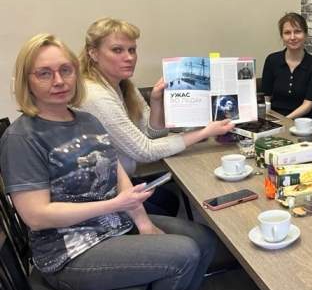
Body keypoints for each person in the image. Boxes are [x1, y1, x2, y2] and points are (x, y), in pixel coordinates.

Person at [0, 33, 217, 290]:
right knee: (184, 254)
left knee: (204, 239)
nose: (59, 80)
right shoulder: (21, 138)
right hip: (69, 255)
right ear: (26, 80)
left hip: (113, 226)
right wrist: (114, 205)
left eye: (65, 70)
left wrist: (143, 223)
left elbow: (117, 173)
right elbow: (36, 216)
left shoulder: (87, 120)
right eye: (44, 73)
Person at [77, 17, 233, 217]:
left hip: (121, 182)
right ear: (93, 52)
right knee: (168, 207)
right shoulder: (95, 95)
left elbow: (153, 135)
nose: (129, 57)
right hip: (98, 195)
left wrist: (156, 101)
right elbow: (145, 151)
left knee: (168, 200)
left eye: (132, 50)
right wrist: (204, 132)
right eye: (117, 50)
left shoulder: (123, 85)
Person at [261, 13, 312, 127]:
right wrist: (269, 121)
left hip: (304, 123)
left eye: (297, 32)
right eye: (287, 33)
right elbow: (266, 98)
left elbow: (308, 105)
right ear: (282, 36)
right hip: (274, 118)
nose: (293, 37)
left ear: (306, 34)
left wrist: (284, 122)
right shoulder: (272, 60)